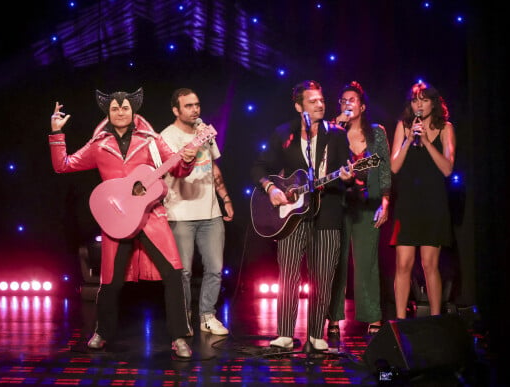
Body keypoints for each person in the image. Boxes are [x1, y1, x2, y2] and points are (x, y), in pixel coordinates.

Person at [48, 88, 197, 358]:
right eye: (115, 108)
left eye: (125, 108)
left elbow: (177, 168)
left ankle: (179, 337)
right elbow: (63, 165)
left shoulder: (152, 140)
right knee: (111, 282)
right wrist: (56, 133)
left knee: (174, 275)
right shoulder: (99, 144)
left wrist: (188, 160)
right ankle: (102, 332)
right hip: (117, 219)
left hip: (151, 217)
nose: (120, 112)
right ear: (108, 112)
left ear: (133, 111)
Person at [250, 80, 354, 351]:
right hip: (291, 216)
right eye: (312, 101)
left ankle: (316, 334)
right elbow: (259, 167)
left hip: (329, 211)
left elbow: (352, 173)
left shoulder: (337, 135)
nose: (320, 104)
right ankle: (285, 333)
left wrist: (350, 176)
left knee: (324, 275)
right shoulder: (284, 133)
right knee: (288, 274)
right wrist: (271, 188)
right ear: (299, 107)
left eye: (321, 100)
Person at [160, 88, 233, 336]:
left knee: (214, 268)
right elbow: (170, 171)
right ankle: (184, 319)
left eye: (197, 105)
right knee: (184, 272)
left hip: (211, 212)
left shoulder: (205, 132)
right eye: (189, 106)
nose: (195, 110)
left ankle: (207, 316)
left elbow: (213, 167)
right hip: (180, 213)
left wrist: (225, 198)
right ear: (176, 110)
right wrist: (189, 151)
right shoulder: (166, 137)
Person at [327, 81, 391, 339]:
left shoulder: (377, 133)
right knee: (336, 263)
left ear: (362, 106)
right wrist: (335, 128)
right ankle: (332, 317)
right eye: (343, 100)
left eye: (352, 100)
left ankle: (372, 315)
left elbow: (384, 167)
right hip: (338, 204)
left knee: (367, 262)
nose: (347, 104)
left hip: (367, 204)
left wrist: (385, 201)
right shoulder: (331, 131)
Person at [389, 81, 456, 319]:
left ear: (434, 103)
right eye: (415, 100)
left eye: (424, 100)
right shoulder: (403, 126)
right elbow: (394, 167)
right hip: (407, 203)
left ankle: (436, 320)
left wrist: (427, 141)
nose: (419, 104)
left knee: (430, 265)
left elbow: (447, 169)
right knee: (403, 264)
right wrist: (409, 139)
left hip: (433, 203)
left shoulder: (446, 128)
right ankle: (400, 321)